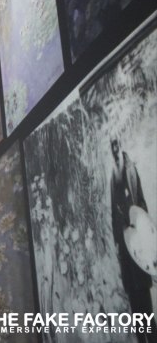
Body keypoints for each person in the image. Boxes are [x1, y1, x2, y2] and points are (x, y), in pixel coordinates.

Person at [109, 138, 154, 342]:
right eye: (112, 147)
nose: (115, 150)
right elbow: (113, 214)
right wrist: (118, 243)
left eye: (116, 145)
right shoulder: (113, 177)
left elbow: (142, 205)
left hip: (138, 248)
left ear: (120, 146)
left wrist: (139, 226)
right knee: (137, 316)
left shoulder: (131, 170)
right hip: (125, 253)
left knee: (147, 314)